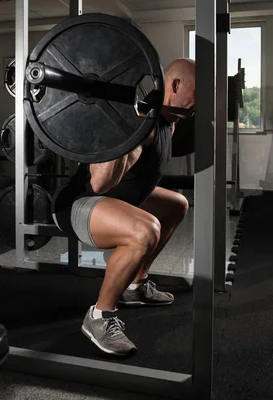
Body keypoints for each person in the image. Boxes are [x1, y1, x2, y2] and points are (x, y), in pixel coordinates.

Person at [52, 58, 196, 356]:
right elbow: (100, 183)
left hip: (116, 199)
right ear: (176, 85)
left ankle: (136, 284)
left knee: (177, 205)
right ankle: (100, 316)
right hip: (79, 203)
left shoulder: (169, 123)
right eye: (201, 90)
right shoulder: (142, 121)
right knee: (146, 231)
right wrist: (131, 130)